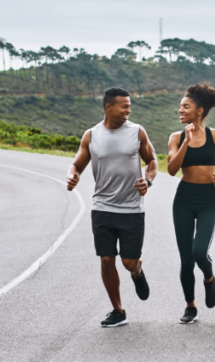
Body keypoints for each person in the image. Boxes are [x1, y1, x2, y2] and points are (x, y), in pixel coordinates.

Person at [66, 87, 158, 327]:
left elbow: (152, 161)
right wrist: (72, 175)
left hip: (131, 209)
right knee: (106, 259)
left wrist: (147, 180)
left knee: (128, 262)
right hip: (103, 207)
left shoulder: (137, 132)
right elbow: (76, 164)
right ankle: (118, 310)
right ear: (108, 107)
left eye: (129, 105)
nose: (129, 109)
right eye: (124, 106)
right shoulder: (91, 135)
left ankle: (137, 272)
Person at [166, 82, 215, 324]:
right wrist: (185, 142)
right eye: (180, 106)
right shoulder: (175, 137)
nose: (180, 110)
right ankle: (190, 306)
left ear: (199, 110)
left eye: (186, 106)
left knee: (199, 251)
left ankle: (209, 277)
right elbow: (172, 170)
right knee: (186, 259)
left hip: (208, 199)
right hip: (184, 199)